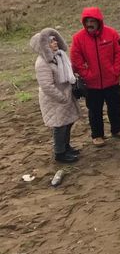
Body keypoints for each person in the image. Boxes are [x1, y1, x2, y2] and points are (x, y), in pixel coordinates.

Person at [70, 7, 120, 146]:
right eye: (87, 21)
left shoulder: (112, 34)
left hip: (112, 81)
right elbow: (76, 59)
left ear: (99, 22)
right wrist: (87, 74)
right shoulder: (78, 38)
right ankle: (97, 135)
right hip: (92, 84)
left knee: (115, 106)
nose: (89, 24)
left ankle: (117, 128)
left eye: (92, 21)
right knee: (94, 110)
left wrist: (116, 70)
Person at [31, 28, 81, 164]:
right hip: (55, 100)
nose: (55, 42)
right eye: (51, 41)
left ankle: (66, 147)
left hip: (65, 96)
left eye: (54, 40)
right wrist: (62, 97)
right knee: (59, 126)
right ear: (43, 46)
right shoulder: (42, 63)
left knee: (68, 122)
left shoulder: (59, 56)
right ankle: (60, 153)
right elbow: (47, 86)